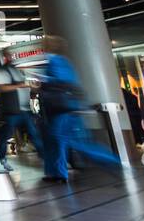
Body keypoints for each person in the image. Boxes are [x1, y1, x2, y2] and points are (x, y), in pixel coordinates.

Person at [36, 37, 122, 183]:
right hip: (61, 109)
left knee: (69, 141)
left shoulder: (57, 61)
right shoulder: (57, 61)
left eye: (44, 44)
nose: (42, 46)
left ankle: (112, 160)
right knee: (57, 141)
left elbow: (62, 81)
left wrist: (43, 79)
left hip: (62, 110)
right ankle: (57, 173)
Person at [0, 48, 44, 169]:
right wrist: (19, 85)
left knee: (34, 134)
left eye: (11, 55)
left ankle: (46, 158)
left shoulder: (18, 71)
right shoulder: (1, 72)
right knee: (6, 135)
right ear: (4, 57)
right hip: (12, 111)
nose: (10, 57)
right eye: (8, 55)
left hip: (25, 110)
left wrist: (33, 88)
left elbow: (26, 87)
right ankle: (1, 159)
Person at [120, 83, 144, 147]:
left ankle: (139, 141)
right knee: (138, 128)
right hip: (135, 113)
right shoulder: (130, 96)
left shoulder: (124, 95)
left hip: (133, 114)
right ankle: (143, 141)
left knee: (136, 128)